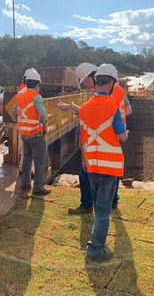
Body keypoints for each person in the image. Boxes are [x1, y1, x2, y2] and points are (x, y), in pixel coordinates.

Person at [59, 63, 132, 213]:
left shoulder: (110, 93)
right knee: (110, 171)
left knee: (87, 172)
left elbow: (107, 112)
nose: (86, 84)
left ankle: (89, 204)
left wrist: (107, 123)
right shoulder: (113, 91)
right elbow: (126, 110)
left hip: (103, 138)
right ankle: (110, 201)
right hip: (112, 136)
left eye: (86, 81)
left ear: (94, 76)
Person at [79, 63, 128, 261]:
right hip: (109, 168)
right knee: (102, 211)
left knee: (98, 207)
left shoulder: (84, 108)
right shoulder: (112, 106)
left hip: (91, 166)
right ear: (112, 83)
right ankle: (95, 249)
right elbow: (121, 136)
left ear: (96, 82)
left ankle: (95, 244)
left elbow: (82, 138)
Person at [11, 68, 51, 196]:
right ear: (38, 84)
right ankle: (39, 188)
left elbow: (13, 113)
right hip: (37, 134)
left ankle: (25, 184)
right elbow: (43, 116)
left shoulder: (19, 95)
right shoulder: (36, 97)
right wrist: (42, 121)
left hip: (24, 134)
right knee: (40, 161)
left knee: (27, 159)